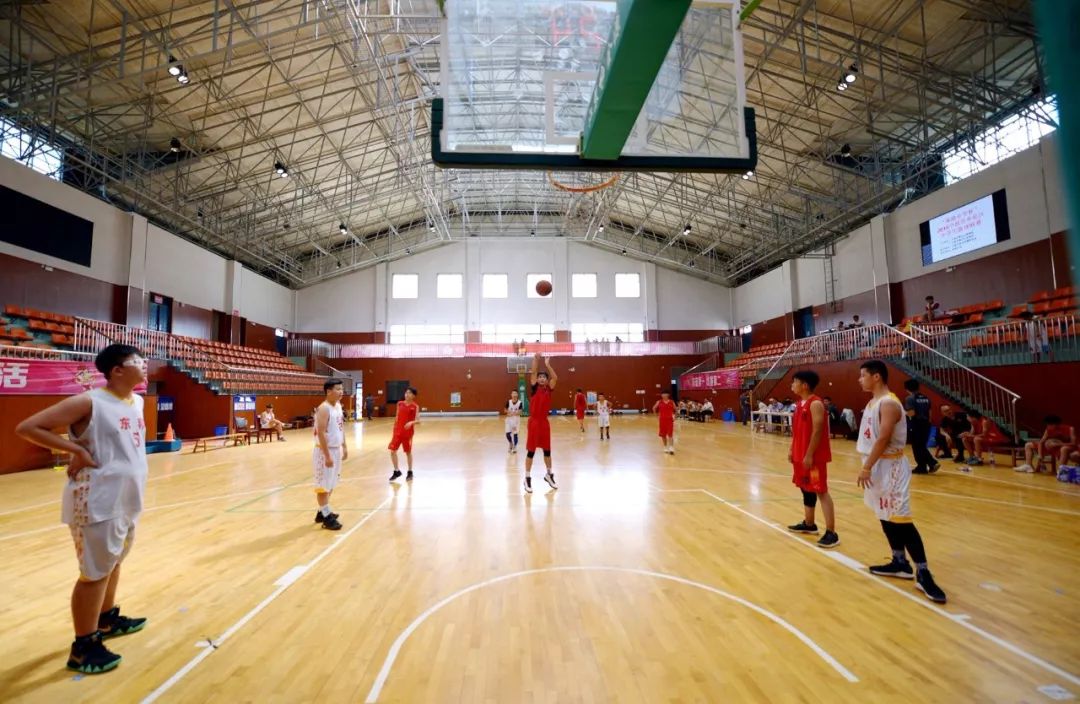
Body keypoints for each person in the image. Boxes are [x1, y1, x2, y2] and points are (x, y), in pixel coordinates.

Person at [15, 344, 149, 673]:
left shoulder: (138, 401)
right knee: (94, 573)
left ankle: (105, 619)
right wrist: (75, 449)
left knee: (113, 561)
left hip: (127, 498)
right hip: (97, 500)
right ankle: (83, 646)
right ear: (117, 370)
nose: (145, 365)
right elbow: (28, 427)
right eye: (137, 361)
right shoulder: (89, 401)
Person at [855, 360, 947, 604]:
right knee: (884, 515)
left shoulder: (889, 403)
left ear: (876, 377)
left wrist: (866, 467)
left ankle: (923, 572)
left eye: (863, 375)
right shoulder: (873, 401)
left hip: (891, 467)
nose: (860, 379)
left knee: (901, 519)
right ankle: (899, 561)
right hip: (877, 466)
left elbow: (884, 437)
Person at [785, 371, 839, 548]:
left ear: (805, 385)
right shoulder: (799, 404)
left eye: (795, 382)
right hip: (800, 455)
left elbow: (817, 431)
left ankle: (832, 533)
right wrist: (792, 449)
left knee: (820, 490)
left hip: (813, 458)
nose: (792, 385)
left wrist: (809, 454)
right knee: (805, 488)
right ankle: (809, 524)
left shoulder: (815, 403)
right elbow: (797, 431)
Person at [313, 379, 347, 530]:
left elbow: (341, 427)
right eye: (338, 389)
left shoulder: (338, 406)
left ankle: (322, 512)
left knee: (331, 483)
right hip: (324, 451)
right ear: (328, 391)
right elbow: (320, 433)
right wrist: (327, 456)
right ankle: (326, 518)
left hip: (336, 449)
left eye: (342, 389)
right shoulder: (323, 409)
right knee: (323, 486)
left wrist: (344, 446)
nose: (341, 391)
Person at [524, 353, 559, 493]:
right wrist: (536, 360)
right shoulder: (534, 388)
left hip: (544, 423)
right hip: (534, 423)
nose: (542, 378)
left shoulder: (549, 390)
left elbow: (555, 378)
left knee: (547, 451)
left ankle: (549, 474)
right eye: (540, 377)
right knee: (531, 452)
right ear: (537, 380)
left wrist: (548, 365)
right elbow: (533, 372)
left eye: (544, 377)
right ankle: (527, 478)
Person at [903, 380, 938, 474]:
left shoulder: (909, 399)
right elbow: (930, 413)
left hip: (916, 424)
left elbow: (912, 413)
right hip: (926, 424)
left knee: (918, 446)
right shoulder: (926, 398)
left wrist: (902, 413)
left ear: (906, 388)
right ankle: (921, 467)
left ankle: (932, 462)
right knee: (920, 445)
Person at [388, 388, 421, 481]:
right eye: (406, 392)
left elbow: (418, 421)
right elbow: (397, 416)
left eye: (409, 393)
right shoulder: (399, 404)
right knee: (392, 451)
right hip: (397, 432)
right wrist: (395, 428)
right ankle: (396, 471)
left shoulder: (415, 406)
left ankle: (410, 472)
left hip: (408, 433)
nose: (407, 394)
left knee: (408, 452)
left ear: (413, 396)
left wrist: (411, 423)